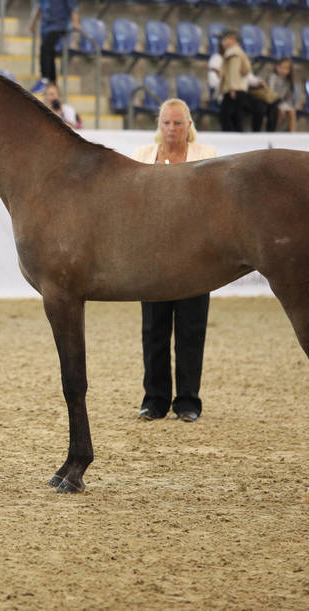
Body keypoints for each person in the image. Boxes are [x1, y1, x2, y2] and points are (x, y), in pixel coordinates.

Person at [129, 98, 217, 422]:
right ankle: (154, 400)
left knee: (191, 330)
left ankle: (188, 401)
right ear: (159, 125)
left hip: (195, 256)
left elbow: (211, 201)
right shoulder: (141, 155)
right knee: (153, 329)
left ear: (188, 126)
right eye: (166, 122)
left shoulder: (205, 155)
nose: (171, 129)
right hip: (152, 254)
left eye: (178, 123)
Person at [28, 0, 80, 94]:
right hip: (46, 25)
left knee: (45, 48)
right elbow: (39, 5)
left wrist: (75, 22)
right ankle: (53, 82)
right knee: (49, 53)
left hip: (58, 25)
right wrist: (33, 22)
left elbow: (73, 7)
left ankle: (44, 78)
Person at [209, 29, 254, 132]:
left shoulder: (232, 53)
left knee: (226, 115)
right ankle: (237, 136)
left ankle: (231, 137)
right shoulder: (239, 52)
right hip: (238, 88)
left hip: (233, 89)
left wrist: (233, 88)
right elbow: (246, 69)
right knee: (236, 115)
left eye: (225, 39)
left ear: (233, 40)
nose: (222, 42)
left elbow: (233, 71)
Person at [265, 57, 297, 132]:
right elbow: (270, 91)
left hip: (283, 102)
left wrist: (286, 102)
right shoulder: (272, 77)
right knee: (281, 111)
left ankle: (292, 133)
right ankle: (272, 130)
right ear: (277, 67)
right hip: (273, 102)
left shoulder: (289, 80)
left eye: (287, 68)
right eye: (282, 67)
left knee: (292, 111)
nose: (284, 70)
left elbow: (289, 96)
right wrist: (278, 100)